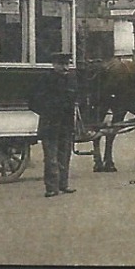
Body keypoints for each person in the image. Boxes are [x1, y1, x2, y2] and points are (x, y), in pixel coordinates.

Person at [28, 51, 78, 198]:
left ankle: (63, 184)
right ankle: (51, 188)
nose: (65, 68)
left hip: (66, 125)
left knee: (65, 155)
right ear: (54, 65)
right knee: (51, 158)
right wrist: (47, 111)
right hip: (50, 125)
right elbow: (32, 101)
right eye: (62, 64)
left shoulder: (71, 79)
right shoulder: (45, 79)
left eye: (67, 64)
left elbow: (75, 98)